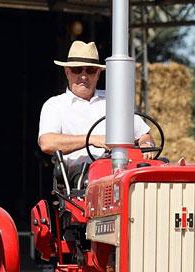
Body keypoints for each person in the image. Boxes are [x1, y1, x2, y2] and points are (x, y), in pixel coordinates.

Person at [38, 41, 154, 173]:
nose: (83, 76)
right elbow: (46, 143)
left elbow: (144, 135)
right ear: (67, 72)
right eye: (77, 69)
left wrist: (146, 144)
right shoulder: (55, 105)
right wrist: (92, 139)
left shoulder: (115, 100)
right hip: (81, 177)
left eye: (90, 70)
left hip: (122, 170)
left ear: (98, 74)